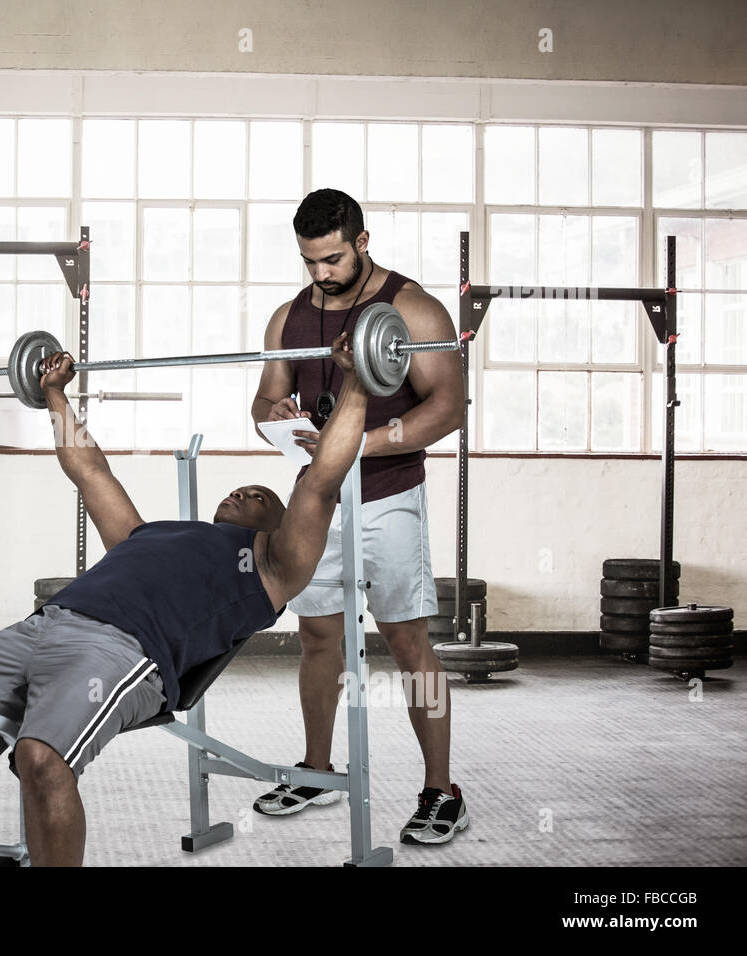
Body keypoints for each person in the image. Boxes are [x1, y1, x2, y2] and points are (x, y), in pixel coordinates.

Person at [0, 332, 369, 866]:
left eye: (259, 496)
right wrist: (55, 393)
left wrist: (358, 383)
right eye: (239, 489)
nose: (241, 493)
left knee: (42, 759)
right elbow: (90, 471)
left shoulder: (273, 565)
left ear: (281, 522)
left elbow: (319, 482)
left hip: (122, 651)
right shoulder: (144, 534)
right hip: (40, 626)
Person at [249, 188, 468, 845]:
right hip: (317, 501)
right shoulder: (288, 318)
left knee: (407, 641)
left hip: (390, 495)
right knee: (318, 636)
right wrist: (274, 421)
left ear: (362, 242)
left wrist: (361, 442)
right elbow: (264, 400)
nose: (322, 274)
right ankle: (316, 771)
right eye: (310, 262)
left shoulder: (411, 306)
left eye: (334, 259)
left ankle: (440, 790)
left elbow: (447, 407)